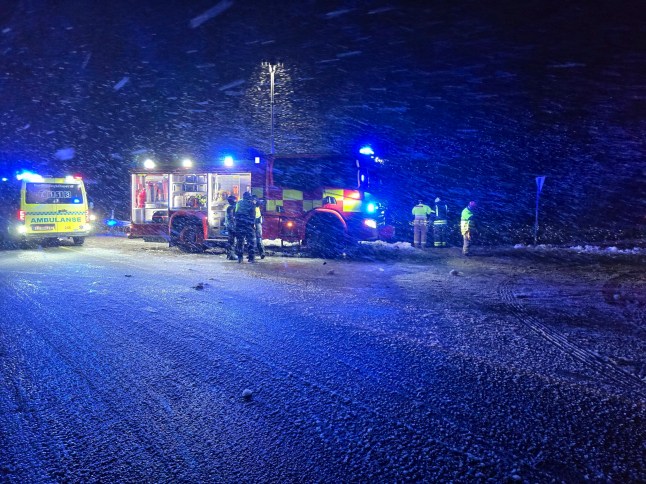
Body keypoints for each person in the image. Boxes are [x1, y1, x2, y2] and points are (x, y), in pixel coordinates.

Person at [234, 191, 256, 263]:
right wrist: (252, 224)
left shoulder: (239, 203)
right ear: (249, 197)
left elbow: (236, 212)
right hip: (248, 225)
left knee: (240, 241)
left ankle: (240, 258)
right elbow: (253, 215)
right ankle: (251, 258)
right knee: (250, 241)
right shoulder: (251, 204)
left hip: (240, 225)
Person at [252, 195, 266, 259]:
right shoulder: (252, 205)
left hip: (256, 223)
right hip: (254, 223)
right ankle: (253, 254)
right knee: (254, 239)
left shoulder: (257, 204)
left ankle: (261, 253)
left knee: (258, 239)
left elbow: (263, 202)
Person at [224, 195, 237, 260]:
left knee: (230, 240)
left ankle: (229, 254)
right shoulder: (231, 208)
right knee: (232, 241)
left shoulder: (228, 207)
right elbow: (232, 217)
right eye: (235, 199)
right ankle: (231, 255)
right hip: (232, 226)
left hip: (229, 226)